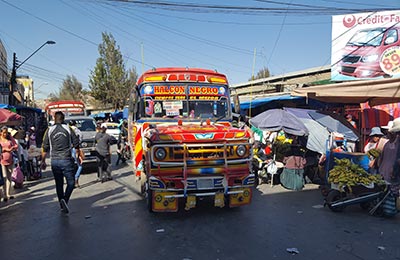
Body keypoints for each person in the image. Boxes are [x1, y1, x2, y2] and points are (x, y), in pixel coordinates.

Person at [41, 111, 81, 214]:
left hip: (54, 161)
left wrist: (43, 161)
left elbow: (45, 147)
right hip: (66, 159)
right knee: (71, 183)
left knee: (59, 184)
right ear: (63, 118)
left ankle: (62, 203)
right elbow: (76, 142)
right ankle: (65, 199)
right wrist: (78, 153)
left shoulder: (49, 130)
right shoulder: (68, 128)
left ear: (54, 118)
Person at [378, 117, 400, 198]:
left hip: (394, 173)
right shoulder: (387, 143)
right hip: (386, 171)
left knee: (394, 195)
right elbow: (382, 156)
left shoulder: (397, 143)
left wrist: (395, 169)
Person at [0, 126, 18, 202]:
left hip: (10, 160)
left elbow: (16, 145)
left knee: (9, 177)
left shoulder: (10, 138)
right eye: (4, 133)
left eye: (6, 132)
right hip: (1, 160)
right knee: (4, 177)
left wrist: (13, 148)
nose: (5, 134)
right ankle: (3, 194)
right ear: (1, 132)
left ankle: (8, 194)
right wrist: (4, 149)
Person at [69, 120, 83, 188]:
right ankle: (76, 179)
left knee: (71, 166)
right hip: (75, 149)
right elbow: (80, 139)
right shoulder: (77, 131)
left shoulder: (67, 131)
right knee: (79, 166)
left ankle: (71, 181)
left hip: (68, 150)